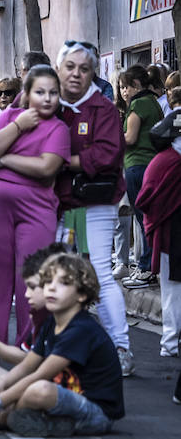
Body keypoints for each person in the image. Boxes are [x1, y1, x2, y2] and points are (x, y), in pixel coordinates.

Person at [0, 252, 123, 437]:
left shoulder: (81, 329)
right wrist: (2, 383)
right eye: (48, 282)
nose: (51, 289)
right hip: (57, 399)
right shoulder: (52, 323)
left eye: (63, 283)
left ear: (82, 294)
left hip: (95, 413)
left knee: (39, 389)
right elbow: (27, 366)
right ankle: (22, 417)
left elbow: (40, 375)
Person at [53, 41, 132, 376]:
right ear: (59, 69)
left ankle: (121, 348)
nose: (76, 74)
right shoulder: (48, 102)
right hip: (62, 206)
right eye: (70, 67)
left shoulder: (102, 109)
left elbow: (106, 156)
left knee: (98, 271)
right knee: (60, 273)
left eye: (84, 69)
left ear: (93, 74)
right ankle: (62, 346)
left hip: (93, 205)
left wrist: (59, 162)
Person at [0, 66, 70, 345]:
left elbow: (45, 167)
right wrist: (18, 127)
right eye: (40, 92)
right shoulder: (10, 117)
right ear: (27, 95)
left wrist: (4, 160)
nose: (47, 98)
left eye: (53, 93)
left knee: (32, 279)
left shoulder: (59, 129)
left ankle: (29, 347)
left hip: (37, 209)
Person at [0, 243, 67, 378]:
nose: (26, 295)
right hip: (45, 383)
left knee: (37, 389)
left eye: (33, 287)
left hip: (62, 390)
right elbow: (27, 357)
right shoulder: (44, 319)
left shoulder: (73, 326)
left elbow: (36, 366)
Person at [135, 103, 181, 358]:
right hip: (172, 236)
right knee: (173, 291)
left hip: (171, 235)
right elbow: (147, 200)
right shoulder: (166, 161)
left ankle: (171, 342)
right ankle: (170, 343)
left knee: (173, 292)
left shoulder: (162, 160)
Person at [117, 64, 163, 289]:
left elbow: (131, 138)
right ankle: (150, 266)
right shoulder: (154, 102)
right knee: (149, 218)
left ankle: (145, 268)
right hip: (153, 166)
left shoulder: (137, 104)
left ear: (136, 85)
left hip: (137, 166)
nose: (123, 92)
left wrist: (111, 137)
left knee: (142, 219)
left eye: (126, 86)